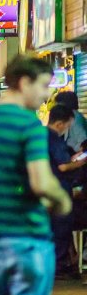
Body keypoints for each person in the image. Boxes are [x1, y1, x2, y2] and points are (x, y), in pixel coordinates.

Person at [0, 55, 72, 295]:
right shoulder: (29, 125)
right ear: (25, 82)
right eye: (44, 86)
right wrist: (62, 202)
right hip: (25, 238)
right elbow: (41, 182)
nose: (46, 96)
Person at [46, 105, 86, 279]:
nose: (68, 128)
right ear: (60, 123)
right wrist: (80, 163)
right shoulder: (55, 139)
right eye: (68, 125)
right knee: (61, 228)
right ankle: (58, 266)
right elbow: (62, 166)